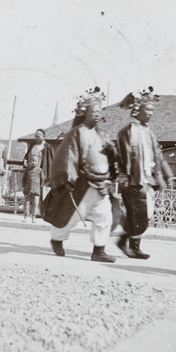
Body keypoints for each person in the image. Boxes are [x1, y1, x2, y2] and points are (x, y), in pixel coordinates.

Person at [43, 87, 118, 263]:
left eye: (100, 111)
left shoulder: (101, 134)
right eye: (94, 111)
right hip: (83, 184)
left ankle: (99, 250)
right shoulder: (77, 132)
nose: (97, 115)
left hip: (101, 184)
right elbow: (68, 155)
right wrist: (68, 179)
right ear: (85, 112)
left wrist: (112, 154)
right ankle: (57, 239)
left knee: (104, 216)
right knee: (72, 216)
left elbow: (110, 154)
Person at [116, 87, 174, 259]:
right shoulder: (127, 132)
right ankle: (133, 246)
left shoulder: (149, 132)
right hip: (133, 179)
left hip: (147, 179)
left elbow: (158, 155)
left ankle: (126, 242)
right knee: (138, 213)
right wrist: (124, 177)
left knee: (145, 213)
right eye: (147, 109)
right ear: (137, 110)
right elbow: (121, 156)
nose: (150, 113)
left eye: (152, 110)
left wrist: (167, 174)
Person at [23, 128, 54, 204]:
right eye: (35, 136)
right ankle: (33, 210)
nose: (36, 138)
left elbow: (52, 160)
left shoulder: (48, 147)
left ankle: (42, 211)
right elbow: (27, 156)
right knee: (32, 190)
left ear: (43, 136)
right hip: (33, 173)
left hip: (43, 172)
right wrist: (25, 161)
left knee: (43, 191)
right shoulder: (33, 146)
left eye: (38, 136)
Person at [22, 154, 44, 223]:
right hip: (27, 189)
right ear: (28, 162)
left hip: (36, 190)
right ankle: (25, 217)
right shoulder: (27, 170)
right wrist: (23, 186)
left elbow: (42, 180)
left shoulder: (40, 171)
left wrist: (39, 187)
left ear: (38, 162)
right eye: (32, 161)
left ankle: (33, 217)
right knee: (26, 203)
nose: (33, 162)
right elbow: (23, 180)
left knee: (35, 203)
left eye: (35, 161)